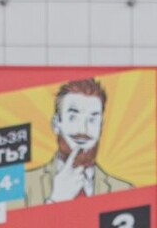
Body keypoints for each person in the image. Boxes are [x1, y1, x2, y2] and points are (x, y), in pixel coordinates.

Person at [24, 77, 132, 206]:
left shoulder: (124, 190)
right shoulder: (24, 186)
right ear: (56, 123)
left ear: (101, 126)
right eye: (73, 118)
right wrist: (56, 199)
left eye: (93, 119)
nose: (83, 129)